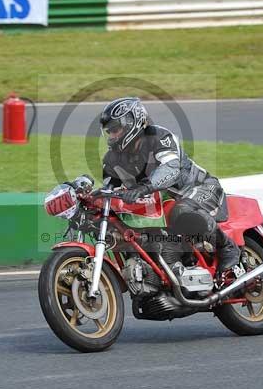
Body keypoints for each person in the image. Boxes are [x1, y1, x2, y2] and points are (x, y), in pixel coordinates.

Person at [99, 96, 244, 286]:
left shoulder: (159, 137)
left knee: (181, 211)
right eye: (109, 132)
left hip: (198, 187)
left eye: (115, 130)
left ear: (131, 123)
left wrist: (145, 187)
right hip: (162, 201)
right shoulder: (112, 158)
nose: (112, 136)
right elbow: (109, 187)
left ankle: (227, 247)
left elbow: (171, 168)